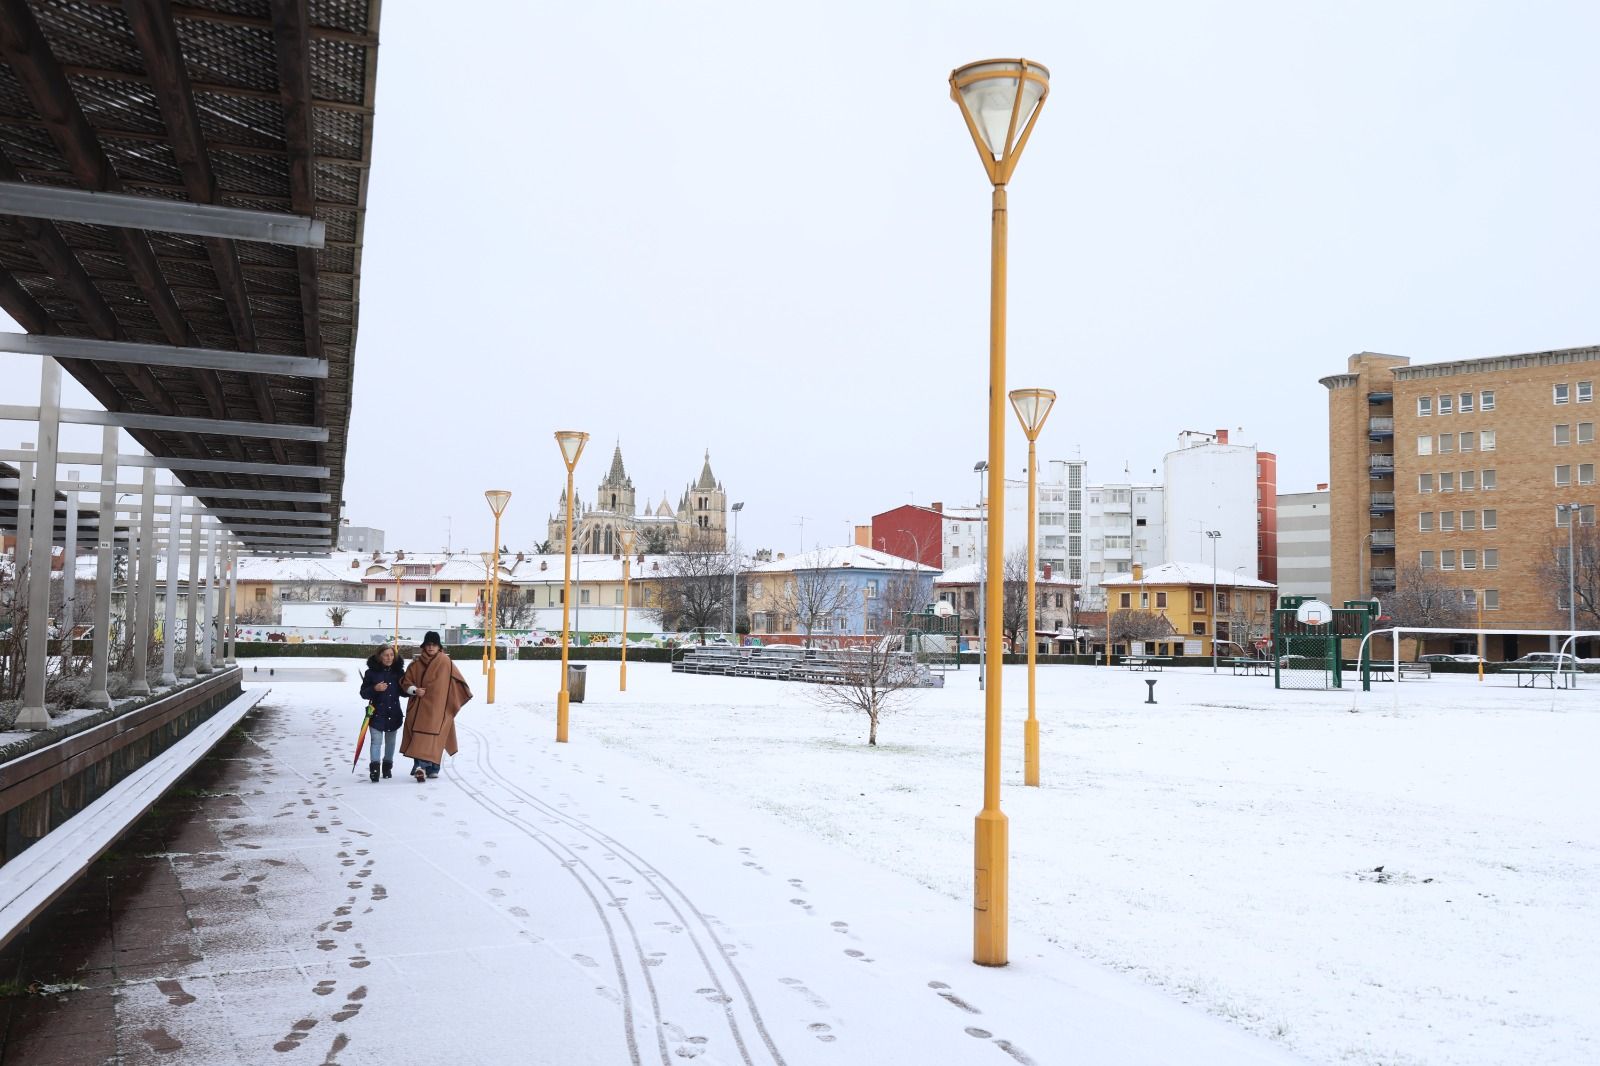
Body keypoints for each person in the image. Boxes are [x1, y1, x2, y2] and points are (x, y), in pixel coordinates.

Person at [399, 631, 473, 783]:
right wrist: (414, 690)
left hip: (440, 708)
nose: (431, 647)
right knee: (419, 737)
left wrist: (452, 702)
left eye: (434, 644)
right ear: (424, 646)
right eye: (428, 644)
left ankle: (433, 767)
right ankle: (420, 767)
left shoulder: (446, 663)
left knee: (436, 737)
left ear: (439, 646)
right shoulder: (416, 664)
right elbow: (406, 682)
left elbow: (458, 682)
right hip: (419, 707)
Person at [358, 644, 406, 782]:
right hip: (376, 714)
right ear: (379, 656)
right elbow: (363, 693)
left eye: (391, 655)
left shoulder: (398, 672)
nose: (389, 658)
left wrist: (413, 690)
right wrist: (375, 688)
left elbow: (403, 691)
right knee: (376, 742)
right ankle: (374, 769)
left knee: (390, 743)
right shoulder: (371, 673)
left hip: (394, 714)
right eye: (386, 655)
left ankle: (387, 766)